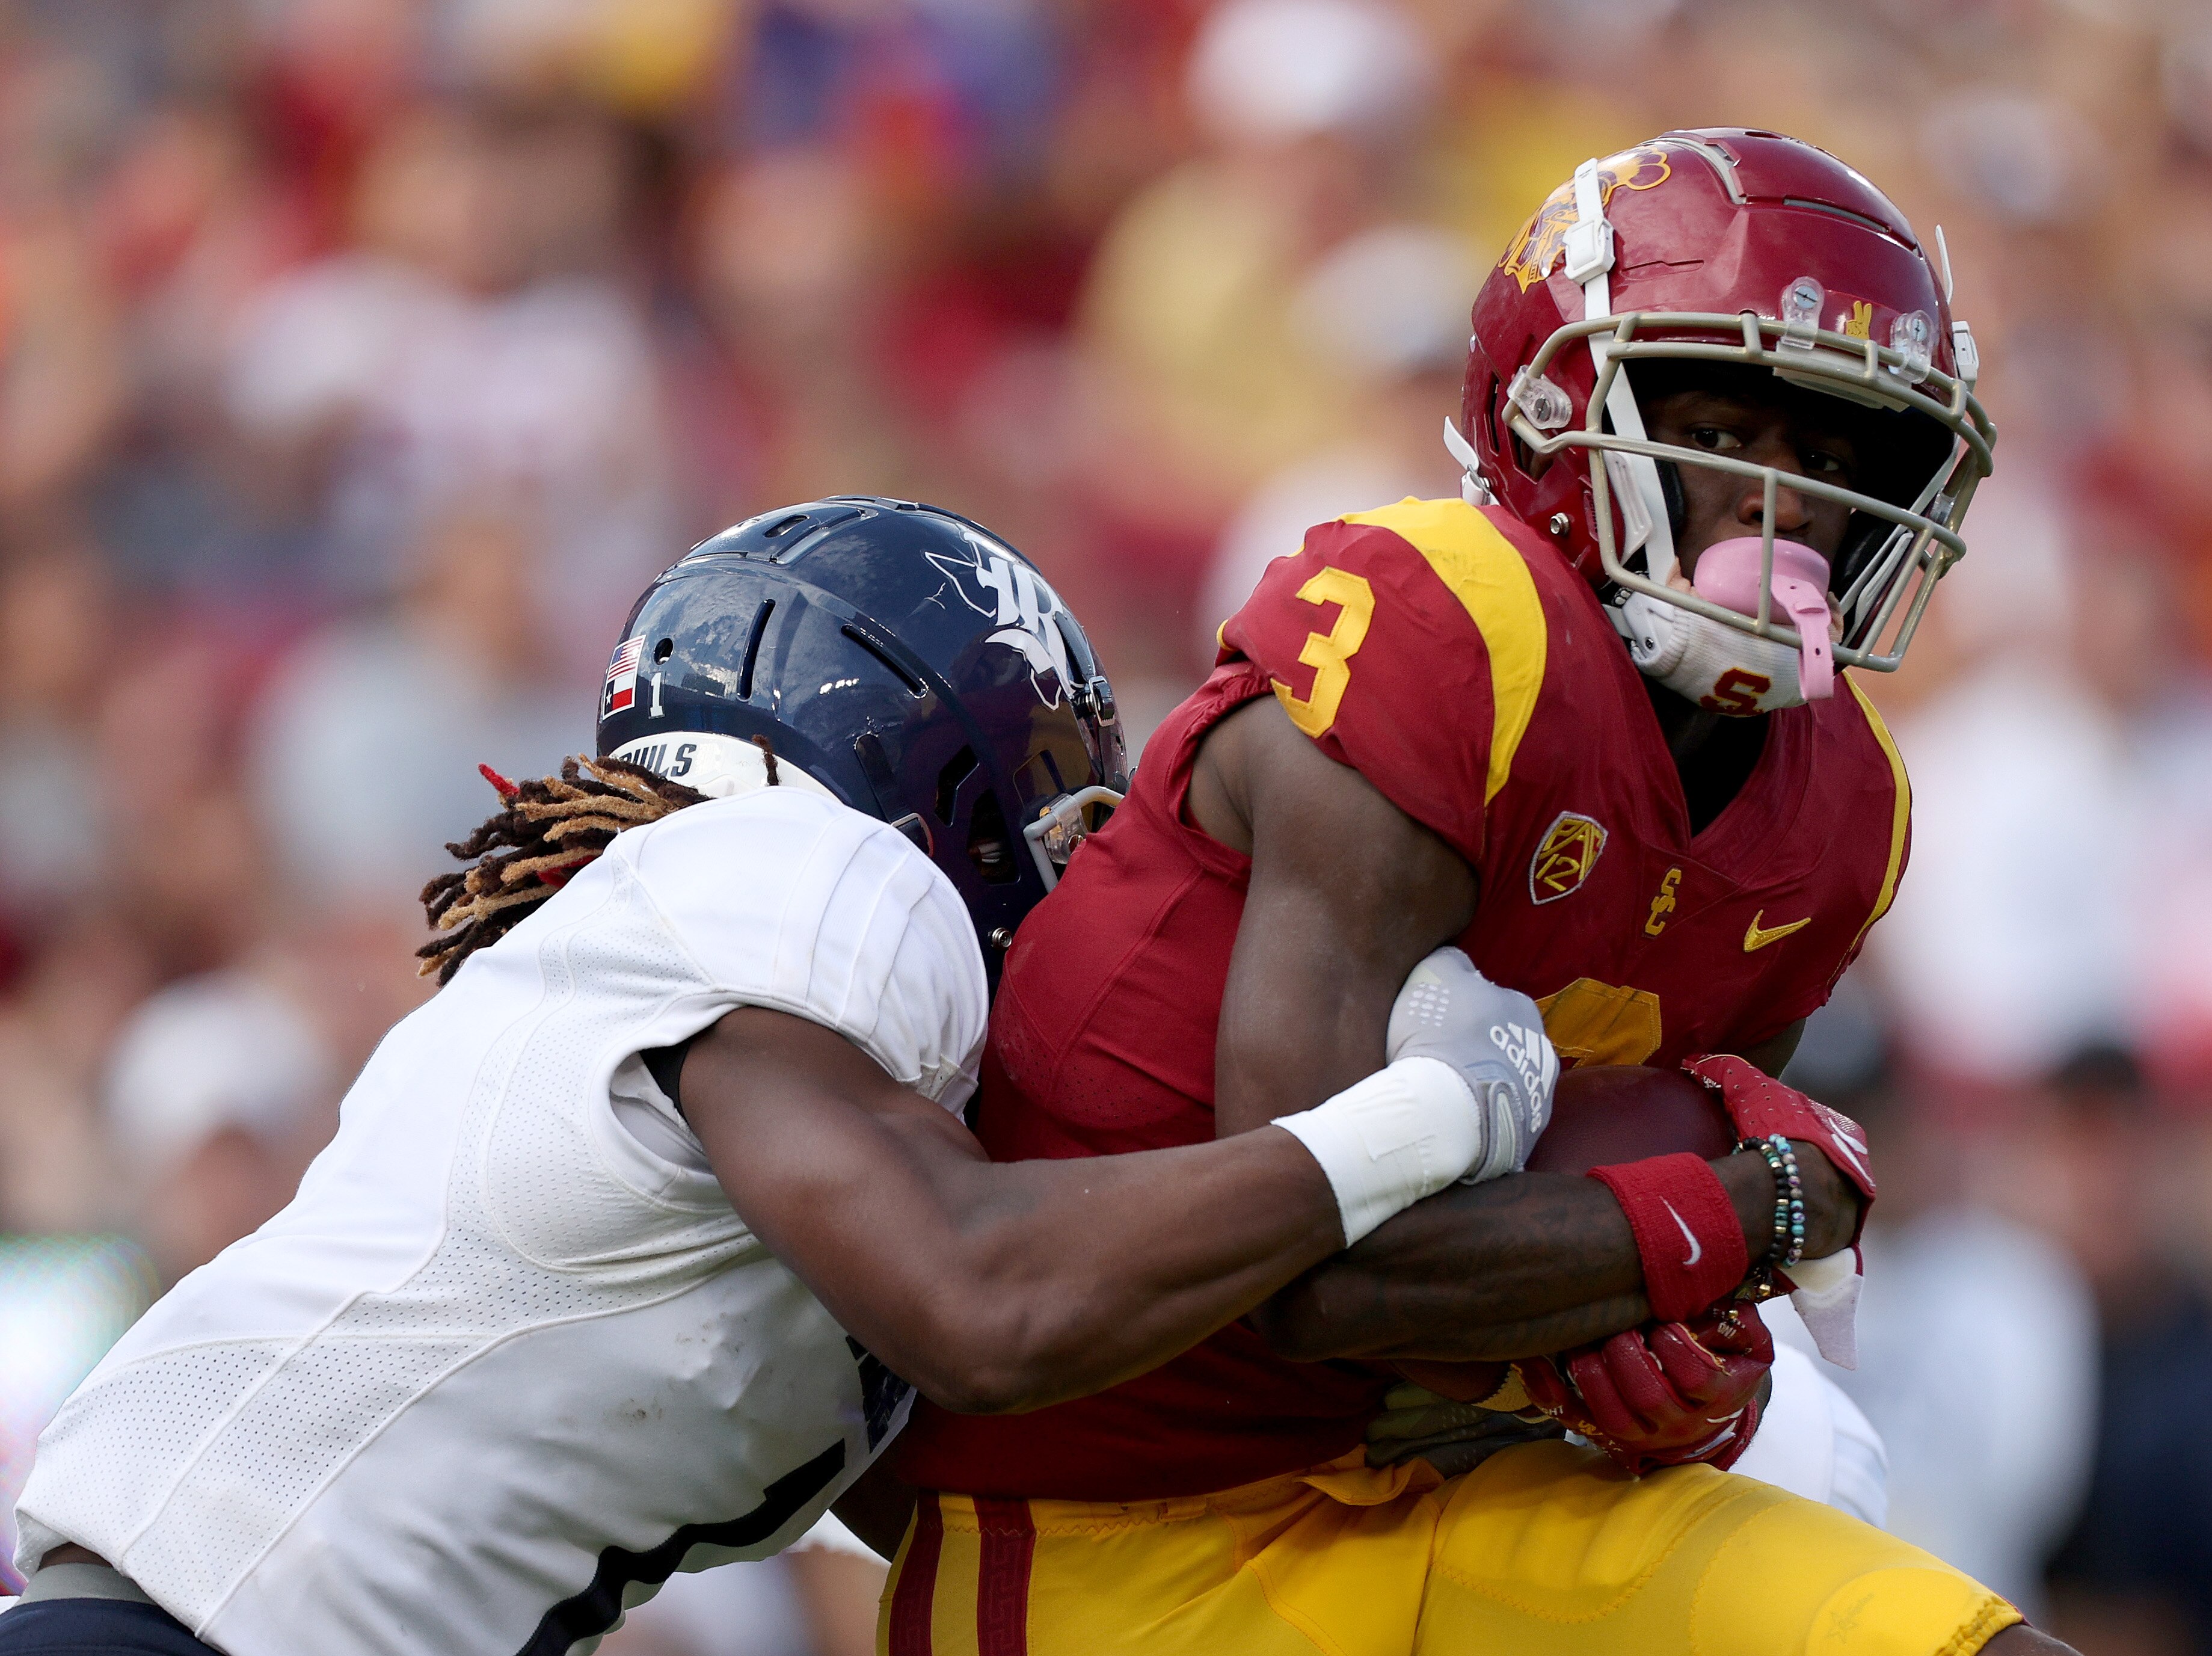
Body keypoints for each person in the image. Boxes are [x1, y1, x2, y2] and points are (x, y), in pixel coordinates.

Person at [888, 132, 2074, 1655]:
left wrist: (1665, 1346)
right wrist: (1750, 1210)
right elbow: (1314, 1265)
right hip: (1125, 1514)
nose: (1784, 511)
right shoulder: (1450, 630)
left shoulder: (1845, 807)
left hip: (1462, 1470)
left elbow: (1622, 1227)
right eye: (1723, 433)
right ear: (1556, 423)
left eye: (1836, 468)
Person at [0, 499, 1556, 1656]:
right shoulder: (796, 870)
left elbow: (1018, 1434)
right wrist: (1419, 1120)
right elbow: (985, 1297)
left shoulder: (717, 1004)